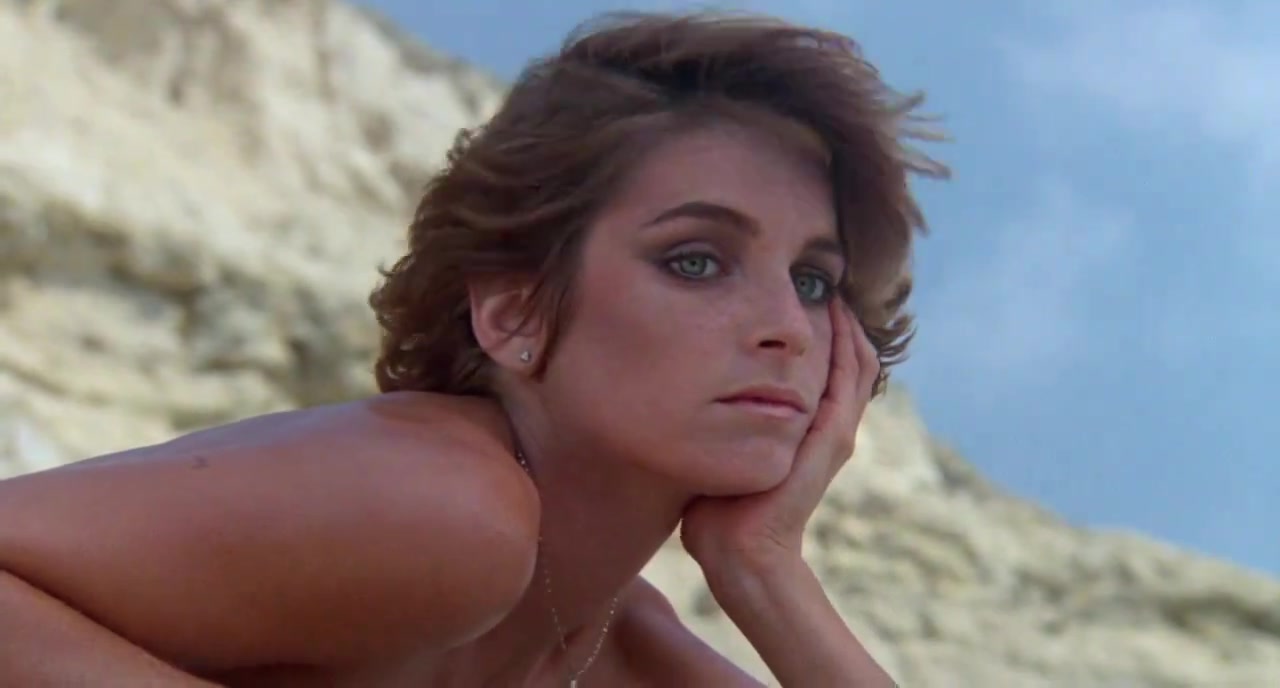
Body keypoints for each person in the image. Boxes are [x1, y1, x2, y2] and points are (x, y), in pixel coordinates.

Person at [0, 10, 945, 687]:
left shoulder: (613, 645)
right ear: (515, 315)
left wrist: (767, 570)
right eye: (695, 261)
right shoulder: (450, 513)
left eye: (814, 280)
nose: (786, 325)